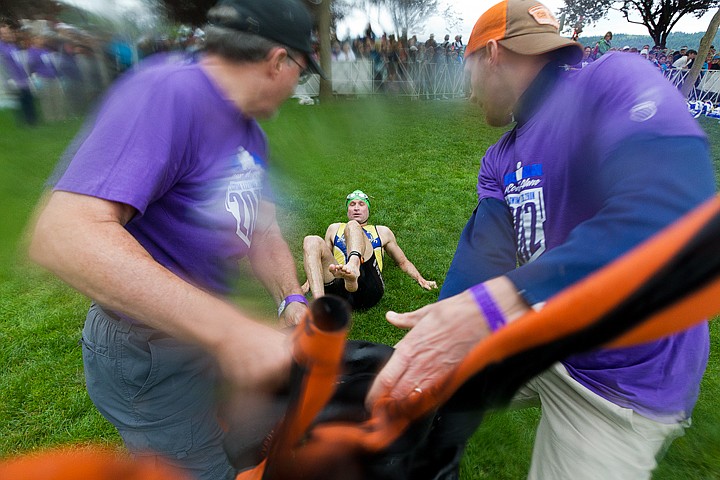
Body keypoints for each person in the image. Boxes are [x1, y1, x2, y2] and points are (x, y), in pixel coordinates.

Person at [367, 0, 715, 479]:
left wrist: (497, 304)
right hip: (544, 329)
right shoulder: (501, 157)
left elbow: (677, 216)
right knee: (439, 386)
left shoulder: (611, 82)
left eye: (466, 71)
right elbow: (481, 261)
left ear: (490, 55)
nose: (468, 93)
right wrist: (442, 343)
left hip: (621, 378)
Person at [27, 0, 325, 479]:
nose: (297, 87)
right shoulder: (166, 92)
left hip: (201, 335)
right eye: (302, 71)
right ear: (278, 61)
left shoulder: (250, 134)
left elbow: (262, 229)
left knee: (253, 444)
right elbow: (65, 233)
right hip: (147, 348)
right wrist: (233, 332)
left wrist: (289, 298)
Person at [302, 190, 437, 310]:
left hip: (368, 288)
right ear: (347, 210)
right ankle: (320, 305)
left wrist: (421, 279)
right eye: (352, 204)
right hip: (337, 289)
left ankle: (353, 268)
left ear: (368, 209)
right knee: (311, 240)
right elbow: (319, 259)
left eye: (361, 204)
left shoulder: (383, 232)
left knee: (353, 226)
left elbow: (402, 261)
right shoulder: (334, 228)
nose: (356, 208)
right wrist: (310, 281)